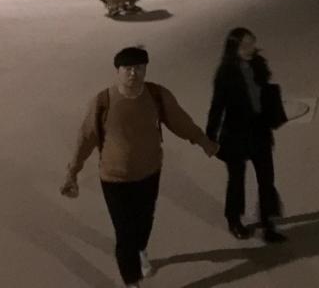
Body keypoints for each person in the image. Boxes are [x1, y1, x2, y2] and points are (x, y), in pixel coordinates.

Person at [62, 46, 220, 288]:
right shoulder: (103, 102)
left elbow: (180, 121)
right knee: (125, 232)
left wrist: (202, 141)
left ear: (145, 69)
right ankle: (132, 281)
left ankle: (140, 250)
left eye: (138, 68)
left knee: (145, 221)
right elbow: (85, 138)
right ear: (117, 71)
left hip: (149, 172)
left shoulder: (157, 95)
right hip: (114, 178)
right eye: (127, 68)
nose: (133, 73)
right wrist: (72, 172)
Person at [206, 28, 287, 243]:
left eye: (252, 42)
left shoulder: (258, 64)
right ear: (235, 48)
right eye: (245, 45)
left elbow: (264, 91)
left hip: (259, 130)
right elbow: (217, 106)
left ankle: (268, 223)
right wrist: (209, 137)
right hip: (236, 133)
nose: (251, 48)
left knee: (266, 179)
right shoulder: (226, 73)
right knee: (236, 179)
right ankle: (234, 219)